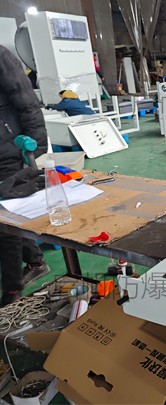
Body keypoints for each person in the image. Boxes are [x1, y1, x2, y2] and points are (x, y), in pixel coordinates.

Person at [0, 45, 50, 306]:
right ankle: (36, 262)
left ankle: (11, 290)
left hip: (10, 149)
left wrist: (36, 146)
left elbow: (27, 101)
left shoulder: (1, 56)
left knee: (4, 219)